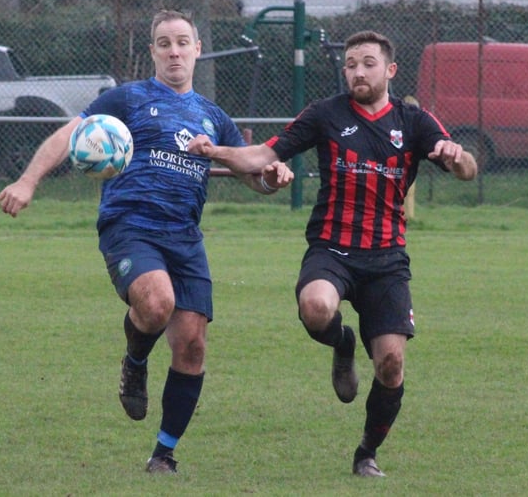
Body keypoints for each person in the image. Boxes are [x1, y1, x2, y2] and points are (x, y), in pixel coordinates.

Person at [0, 9, 294, 474]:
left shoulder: (214, 117)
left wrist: (272, 179)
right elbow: (68, 134)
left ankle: (163, 454)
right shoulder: (128, 98)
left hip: (185, 236)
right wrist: (29, 181)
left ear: (197, 49)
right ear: (153, 52)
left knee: (192, 345)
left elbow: (250, 174)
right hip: (130, 224)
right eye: (164, 43)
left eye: (182, 42)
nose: (174, 50)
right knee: (157, 304)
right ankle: (135, 360)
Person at [188, 30, 477, 477]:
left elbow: (467, 170)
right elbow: (262, 155)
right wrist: (216, 151)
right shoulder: (325, 114)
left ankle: (366, 453)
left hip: (386, 259)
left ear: (390, 70)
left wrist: (457, 157)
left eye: (367, 63)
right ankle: (342, 343)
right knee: (317, 307)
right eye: (350, 64)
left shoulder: (414, 122)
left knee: (392, 364)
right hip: (332, 249)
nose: (357, 72)